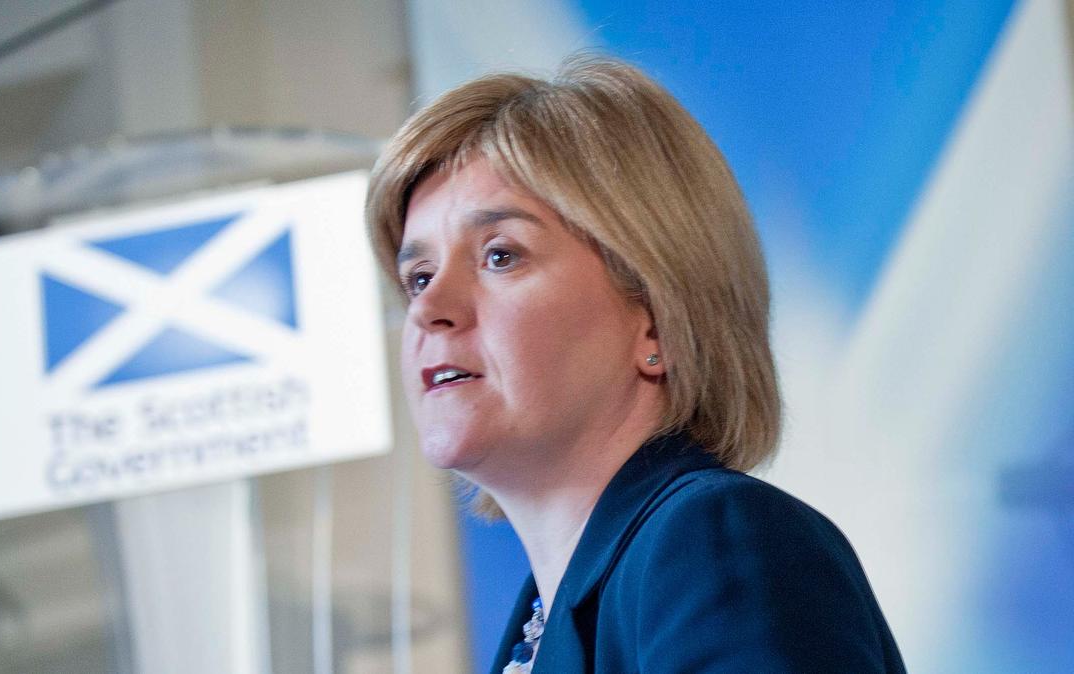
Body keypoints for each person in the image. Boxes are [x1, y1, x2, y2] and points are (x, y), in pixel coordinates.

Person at [366, 57, 906, 673]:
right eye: (419, 276)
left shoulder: (713, 540)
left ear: (656, 319)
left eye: (500, 255)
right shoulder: (542, 625)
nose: (428, 308)